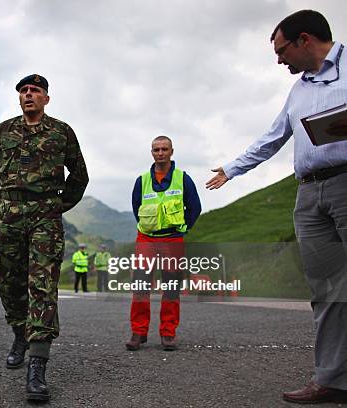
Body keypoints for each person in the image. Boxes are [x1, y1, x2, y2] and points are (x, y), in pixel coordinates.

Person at [206, 10, 347, 404]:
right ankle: (332, 379)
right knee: (328, 290)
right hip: (309, 194)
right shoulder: (299, 90)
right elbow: (273, 137)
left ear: (305, 40)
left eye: (282, 50)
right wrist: (233, 168)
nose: (279, 60)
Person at [0, 74, 88, 401]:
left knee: (42, 286)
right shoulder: (3, 131)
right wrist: (8, 201)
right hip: (10, 215)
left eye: (36, 91)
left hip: (45, 215)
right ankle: (19, 333)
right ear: (19, 98)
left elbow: (79, 174)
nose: (29, 95)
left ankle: (37, 364)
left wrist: (58, 205)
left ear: (46, 98)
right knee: (9, 280)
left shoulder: (61, 132)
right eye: (24, 91)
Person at [126, 135, 201, 352]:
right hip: (146, 239)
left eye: (164, 149)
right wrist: (148, 228)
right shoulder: (142, 180)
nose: (160, 153)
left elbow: (194, 208)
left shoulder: (183, 178)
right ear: (152, 152)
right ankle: (138, 333)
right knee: (140, 287)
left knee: (170, 289)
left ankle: (168, 334)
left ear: (171, 151)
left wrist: (183, 229)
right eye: (156, 149)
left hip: (172, 239)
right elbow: (136, 208)